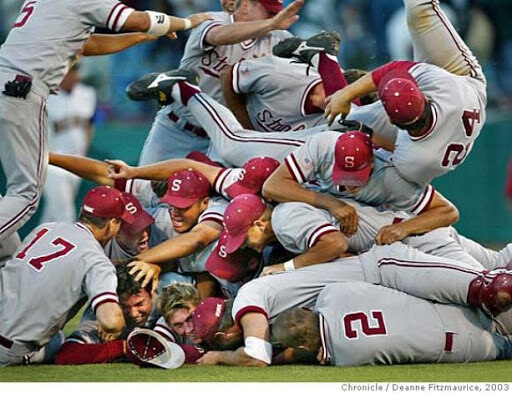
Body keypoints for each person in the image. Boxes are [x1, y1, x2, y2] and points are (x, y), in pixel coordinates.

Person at [0, 0, 212, 249]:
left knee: (13, 203)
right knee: (26, 195)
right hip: (21, 90)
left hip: (8, 81)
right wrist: (187, 22)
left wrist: (140, 37)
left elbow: (87, 45)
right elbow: (141, 19)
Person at [193, 242, 512, 366]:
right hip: (387, 294)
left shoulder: (248, 298)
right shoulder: (288, 314)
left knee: (495, 288)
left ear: (224, 334)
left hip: (390, 270)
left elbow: (257, 357)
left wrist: (217, 358)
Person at [321, 0, 487, 186]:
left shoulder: (414, 163)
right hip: (462, 79)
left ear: (391, 120)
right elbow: (395, 68)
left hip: (432, 141)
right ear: (423, 96)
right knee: (420, 8)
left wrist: (364, 127)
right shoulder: (447, 87)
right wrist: (346, 94)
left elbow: (393, 148)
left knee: (337, 121)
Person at [136, 0, 305, 165]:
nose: (277, 17)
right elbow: (218, 36)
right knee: (141, 187)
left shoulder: (279, 39)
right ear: (245, 5)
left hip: (220, 140)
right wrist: (271, 23)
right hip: (175, 128)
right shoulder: (212, 19)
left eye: (276, 12)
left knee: (205, 192)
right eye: (269, 12)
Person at [0, 186, 134, 367]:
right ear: (112, 223)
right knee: (58, 340)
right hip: (10, 349)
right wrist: (115, 323)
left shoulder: (46, 229)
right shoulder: (97, 261)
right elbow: (111, 322)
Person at [273, 282, 512, 366]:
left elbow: (323, 352)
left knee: (505, 349)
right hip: (448, 305)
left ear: (302, 346)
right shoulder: (332, 292)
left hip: (453, 342)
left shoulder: (345, 357)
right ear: (306, 309)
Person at [39, 64, 97, 224]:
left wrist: (85, 148)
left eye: (75, 71)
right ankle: (71, 247)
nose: (74, 76)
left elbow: (90, 124)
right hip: (52, 164)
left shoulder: (87, 93)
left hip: (77, 162)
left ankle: (34, 246)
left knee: (51, 215)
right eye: (70, 72)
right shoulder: (46, 96)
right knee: (65, 214)